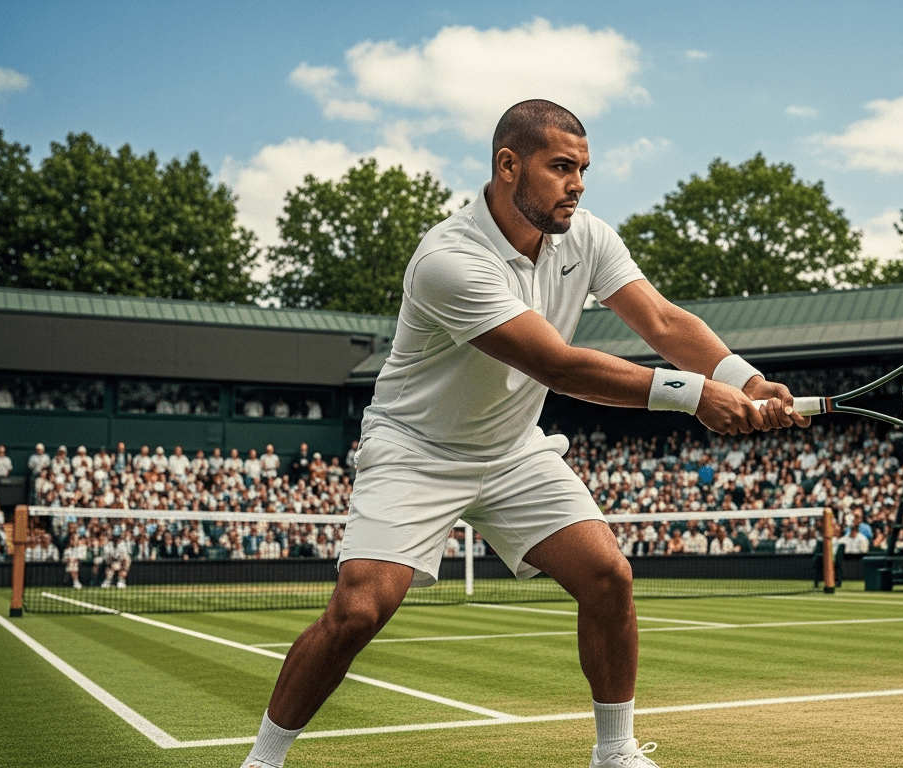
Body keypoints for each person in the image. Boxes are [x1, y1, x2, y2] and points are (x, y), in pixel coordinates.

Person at [240, 100, 808, 768]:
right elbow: (556, 366)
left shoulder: (588, 237)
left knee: (608, 577)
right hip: (416, 448)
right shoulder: (448, 260)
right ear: (509, 165)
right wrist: (691, 395)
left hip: (512, 449)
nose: (578, 184)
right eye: (561, 166)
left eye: (583, 169)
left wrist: (744, 378)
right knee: (359, 611)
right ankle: (264, 760)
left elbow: (659, 319)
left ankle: (615, 751)